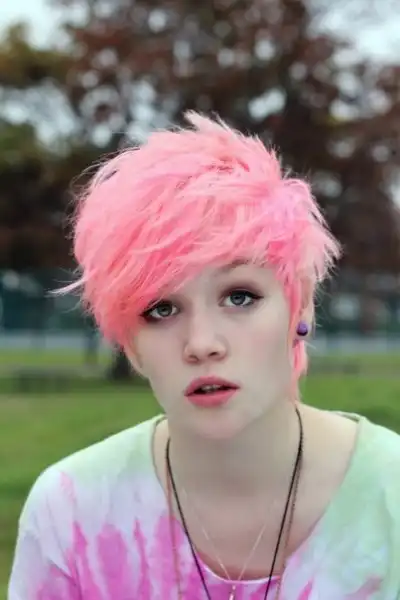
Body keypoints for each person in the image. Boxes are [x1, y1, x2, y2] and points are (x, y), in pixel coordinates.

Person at [8, 112, 400, 600]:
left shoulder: (390, 496)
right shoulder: (70, 514)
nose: (202, 343)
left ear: (299, 306)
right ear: (130, 344)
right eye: (161, 309)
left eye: (239, 296)